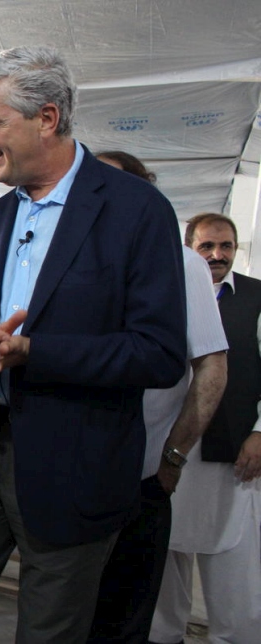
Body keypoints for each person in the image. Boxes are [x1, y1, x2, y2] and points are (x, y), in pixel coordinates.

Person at [0, 46, 187, 643]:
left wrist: (33, 351)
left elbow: (160, 353)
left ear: (46, 118)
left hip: (76, 470)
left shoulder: (137, 211)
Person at [86, 152, 228, 644]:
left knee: (123, 613)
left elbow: (211, 364)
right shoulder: (67, 253)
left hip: (141, 474)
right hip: (70, 470)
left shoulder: (183, 260)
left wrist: (172, 457)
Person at [150, 213, 261, 644]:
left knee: (234, 556)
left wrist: (259, 432)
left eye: (226, 246)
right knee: (165, 552)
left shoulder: (255, 296)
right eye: (207, 247)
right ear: (188, 249)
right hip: (169, 444)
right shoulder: (165, 292)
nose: (217, 255)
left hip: (232, 450)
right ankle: (162, 635)